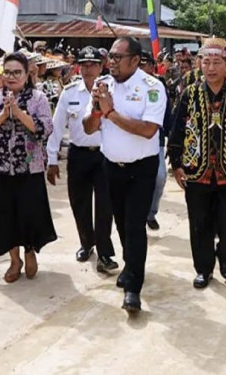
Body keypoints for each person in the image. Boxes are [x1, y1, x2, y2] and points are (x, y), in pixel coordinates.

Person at [83, 36, 167, 313]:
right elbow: (88, 128)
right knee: (120, 222)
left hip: (141, 168)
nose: (112, 62)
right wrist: (98, 110)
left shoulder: (152, 87)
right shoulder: (102, 85)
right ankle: (131, 265)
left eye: (118, 57)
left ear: (135, 60)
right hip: (111, 165)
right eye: (111, 57)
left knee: (134, 226)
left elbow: (148, 130)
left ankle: (133, 288)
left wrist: (112, 112)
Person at [168, 38, 226, 289]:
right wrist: (176, 162)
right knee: (199, 222)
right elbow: (178, 129)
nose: (211, 68)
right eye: (206, 62)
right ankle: (203, 269)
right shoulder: (190, 93)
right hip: (197, 169)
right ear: (199, 64)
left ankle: (224, 251)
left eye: (217, 62)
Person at [0, 52, 56, 283]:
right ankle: (14, 259)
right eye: (7, 72)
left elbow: (44, 129)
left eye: (17, 72)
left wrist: (18, 113)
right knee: (4, 215)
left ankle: (29, 251)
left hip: (29, 168)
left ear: (26, 74)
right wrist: (3, 114)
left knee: (28, 213)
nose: (11, 77)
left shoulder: (38, 98)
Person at [46, 46, 118, 273]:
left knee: (105, 206)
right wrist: (52, 159)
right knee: (80, 203)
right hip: (78, 155)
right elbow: (56, 127)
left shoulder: (111, 90)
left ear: (100, 66)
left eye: (93, 65)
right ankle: (87, 244)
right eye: (84, 65)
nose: (88, 69)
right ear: (78, 66)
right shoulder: (69, 92)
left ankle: (105, 253)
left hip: (105, 155)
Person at [139, 50, 173, 231]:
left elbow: (167, 114)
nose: (142, 68)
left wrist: (172, 139)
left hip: (155, 139)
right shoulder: (127, 83)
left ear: (152, 66)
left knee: (159, 177)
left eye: (145, 64)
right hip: (133, 139)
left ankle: (151, 213)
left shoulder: (159, 85)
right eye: (139, 64)